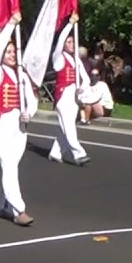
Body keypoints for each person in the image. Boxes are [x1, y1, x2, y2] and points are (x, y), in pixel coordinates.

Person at [0, 16, 38, 226]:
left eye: (12, 51)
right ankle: (18, 209)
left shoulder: (21, 74)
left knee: (9, 166)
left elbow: (32, 99)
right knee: (8, 165)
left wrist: (30, 113)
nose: (10, 55)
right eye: (6, 52)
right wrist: (9, 25)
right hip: (1, 123)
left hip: (20, 124)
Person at [47, 18, 89, 166]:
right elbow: (58, 44)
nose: (71, 44)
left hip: (74, 96)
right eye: (68, 42)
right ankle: (79, 153)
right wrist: (70, 24)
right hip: (63, 96)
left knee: (66, 126)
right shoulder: (58, 58)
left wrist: (82, 88)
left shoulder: (75, 60)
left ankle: (55, 152)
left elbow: (86, 78)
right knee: (69, 126)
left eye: (73, 42)